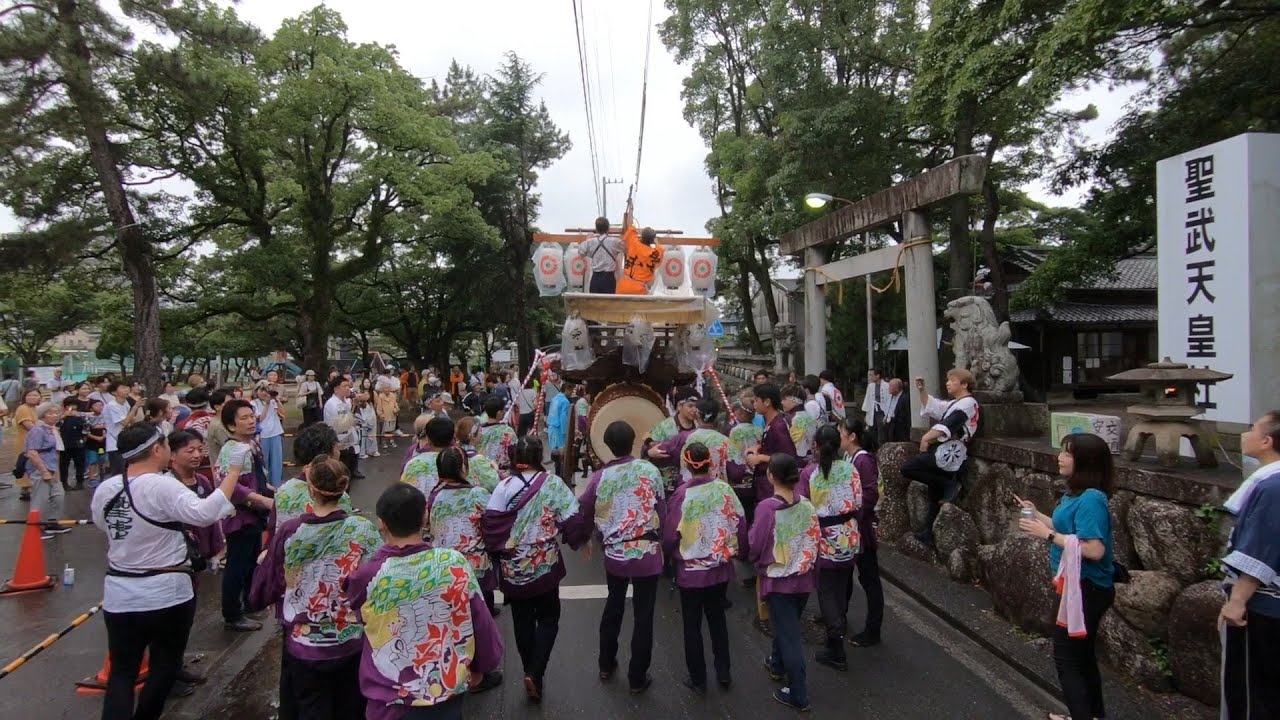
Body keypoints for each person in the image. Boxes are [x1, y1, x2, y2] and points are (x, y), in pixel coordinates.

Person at [89, 422, 240, 720]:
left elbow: (100, 524)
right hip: (167, 591)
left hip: (120, 592)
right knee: (164, 666)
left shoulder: (107, 488)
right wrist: (233, 472)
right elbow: (204, 512)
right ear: (157, 449)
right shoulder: (161, 484)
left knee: (122, 671)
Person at [346, 484, 505, 720]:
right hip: (445, 687)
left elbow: (360, 618)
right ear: (425, 516)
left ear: (382, 523)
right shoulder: (453, 563)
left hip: (391, 697)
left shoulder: (367, 575)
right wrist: (481, 666)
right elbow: (479, 620)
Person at [249, 456, 381, 720]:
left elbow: (267, 582)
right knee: (351, 706)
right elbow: (378, 577)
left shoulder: (290, 532)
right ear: (345, 489)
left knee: (311, 705)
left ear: (311, 489)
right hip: (351, 636)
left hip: (304, 640)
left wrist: (260, 598)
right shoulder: (362, 529)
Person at [1016, 433, 1115, 720]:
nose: (1060, 458)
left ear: (1086, 462)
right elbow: (1066, 529)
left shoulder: (1092, 499)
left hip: (1086, 587)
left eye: (1068, 454)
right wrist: (1038, 516)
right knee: (1082, 658)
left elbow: (1094, 549)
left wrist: (1046, 534)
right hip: (1076, 585)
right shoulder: (1076, 494)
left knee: (1067, 657)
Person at [565, 421, 664, 694]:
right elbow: (661, 507)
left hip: (616, 553)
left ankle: (606, 664)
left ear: (607, 445)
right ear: (633, 440)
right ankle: (637, 677)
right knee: (644, 615)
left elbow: (583, 510)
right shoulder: (649, 470)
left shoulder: (599, 477)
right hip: (647, 550)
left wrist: (581, 539)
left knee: (614, 605)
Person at [483, 436, 579, 703]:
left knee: (522, 620)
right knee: (549, 619)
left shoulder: (503, 487)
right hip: (544, 563)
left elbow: (491, 525)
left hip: (514, 566)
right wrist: (575, 539)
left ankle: (529, 670)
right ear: (539, 457)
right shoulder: (553, 484)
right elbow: (571, 516)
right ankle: (535, 673)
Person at [663, 441, 747, 693]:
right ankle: (724, 671)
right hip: (719, 567)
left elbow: (669, 535)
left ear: (687, 464)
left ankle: (698, 678)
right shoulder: (724, 490)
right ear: (710, 462)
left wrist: (667, 556)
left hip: (690, 572)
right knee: (717, 619)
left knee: (692, 625)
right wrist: (740, 551)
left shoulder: (681, 494)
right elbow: (740, 522)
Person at [424, 448, 504, 697]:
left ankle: (453, 667)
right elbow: (491, 526)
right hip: (476, 566)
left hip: (444, 570)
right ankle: (478, 673)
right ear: (464, 468)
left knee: (452, 622)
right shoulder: (479, 494)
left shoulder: (433, 496)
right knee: (479, 621)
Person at [1218, 411, 1280, 719]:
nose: (1246, 434)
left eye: (1252, 429)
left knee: (1252, 691)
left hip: (1264, 605)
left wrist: (1238, 600)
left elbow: (1261, 548)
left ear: (1266, 441)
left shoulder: (1273, 487)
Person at [749, 453, 820, 711]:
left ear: (770, 476)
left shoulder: (767, 507)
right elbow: (815, 539)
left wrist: (756, 561)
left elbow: (756, 544)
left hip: (779, 580)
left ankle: (799, 694)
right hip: (803, 578)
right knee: (786, 627)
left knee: (790, 636)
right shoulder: (807, 505)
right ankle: (777, 664)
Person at [796, 424, 863, 671]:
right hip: (849, 535)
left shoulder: (810, 473)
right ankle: (839, 625)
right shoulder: (851, 469)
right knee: (843, 584)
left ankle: (835, 642)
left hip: (823, 537)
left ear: (815, 445)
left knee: (826, 590)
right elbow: (858, 502)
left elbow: (803, 508)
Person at [215, 399, 276, 632]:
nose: (251, 421)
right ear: (231, 426)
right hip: (239, 516)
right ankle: (232, 613)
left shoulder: (252, 444)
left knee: (251, 560)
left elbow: (258, 479)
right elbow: (231, 485)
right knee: (237, 565)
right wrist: (261, 500)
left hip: (255, 515)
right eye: (244, 418)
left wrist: (272, 491)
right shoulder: (232, 449)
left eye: (252, 416)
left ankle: (250, 602)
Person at [903, 369, 980, 545]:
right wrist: (922, 390)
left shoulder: (967, 403)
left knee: (908, 468)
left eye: (952, 380)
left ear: (964, 384)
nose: (948, 383)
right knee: (933, 493)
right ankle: (928, 534)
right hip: (948, 452)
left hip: (952, 453)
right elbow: (935, 407)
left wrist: (926, 437)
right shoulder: (959, 403)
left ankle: (948, 483)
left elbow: (947, 424)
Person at [841, 417, 884, 648]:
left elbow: (870, 494)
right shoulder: (850, 457)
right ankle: (839, 614)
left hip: (861, 528)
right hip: (851, 527)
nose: (839, 436)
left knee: (869, 579)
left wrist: (851, 511)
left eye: (841, 432)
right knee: (846, 573)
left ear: (852, 436)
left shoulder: (863, 460)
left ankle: (873, 629)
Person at [271, 423, 353, 535]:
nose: (339, 453)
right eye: (336, 448)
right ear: (328, 455)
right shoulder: (335, 492)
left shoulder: (284, 490)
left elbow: (273, 531)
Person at [649, 397, 740, 486]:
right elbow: (737, 472)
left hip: (689, 490)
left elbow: (661, 449)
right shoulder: (725, 441)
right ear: (716, 417)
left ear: (698, 415)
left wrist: (648, 444)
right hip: (718, 490)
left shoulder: (685, 437)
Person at [25, 402, 69, 537]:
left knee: (58, 495)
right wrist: (43, 471)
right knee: (40, 498)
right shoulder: (38, 430)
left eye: (56, 412)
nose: (54, 415)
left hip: (53, 466)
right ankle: (37, 527)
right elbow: (32, 452)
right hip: (41, 467)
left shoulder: (52, 429)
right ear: (43, 415)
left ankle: (52, 522)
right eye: (50, 413)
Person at [400, 417, 458, 498]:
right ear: (453, 438)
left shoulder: (414, 464)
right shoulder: (462, 461)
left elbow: (405, 493)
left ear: (428, 439)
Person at [616, 201, 665, 296]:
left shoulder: (634, 242)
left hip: (623, 286)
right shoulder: (657, 252)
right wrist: (653, 242)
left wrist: (631, 210)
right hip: (640, 290)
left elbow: (630, 224)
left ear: (641, 237)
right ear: (652, 240)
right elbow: (658, 246)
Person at [323, 376, 362, 480]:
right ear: (336, 389)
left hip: (351, 439)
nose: (348, 388)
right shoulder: (331, 404)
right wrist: (350, 422)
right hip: (340, 441)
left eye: (348, 386)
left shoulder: (347, 401)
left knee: (350, 469)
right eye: (344, 386)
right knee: (341, 472)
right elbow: (338, 424)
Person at [252, 381, 286, 488]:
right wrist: (267, 404)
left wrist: (276, 400)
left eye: (265, 390)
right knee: (264, 461)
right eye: (261, 390)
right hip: (263, 435)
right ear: (256, 391)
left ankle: (276, 485)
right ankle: (265, 485)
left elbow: (283, 414)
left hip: (275, 432)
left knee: (277, 462)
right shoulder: (254, 403)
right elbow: (259, 419)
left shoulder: (273, 401)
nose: (263, 393)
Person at [579, 216, 624, 294]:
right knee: (608, 303)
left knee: (595, 303)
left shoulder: (590, 242)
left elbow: (581, 252)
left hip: (595, 278)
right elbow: (626, 249)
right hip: (609, 279)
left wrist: (588, 239)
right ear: (608, 228)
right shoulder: (615, 241)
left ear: (596, 229)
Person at [13, 388, 41, 500]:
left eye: (35, 395)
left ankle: (31, 489)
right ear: (24, 397)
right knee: (25, 464)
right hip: (26, 441)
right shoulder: (23, 409)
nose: (32, 397)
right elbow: (29, 425)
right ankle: (26, 490)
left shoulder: (34, 408)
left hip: (35, 442)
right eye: (29, 395)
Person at [476, 396, 516, 474]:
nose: (504, 412)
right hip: (501, 471)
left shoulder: (478, 430)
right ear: (499, 413)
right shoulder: (506, 431)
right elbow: (514, 450)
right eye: (503, 410)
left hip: (481, 468)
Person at [58, 395, 89, 490]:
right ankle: (64, 483)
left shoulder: (81, 416)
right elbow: (56, 425)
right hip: (64, 444)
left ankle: (80, 482)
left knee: (80, 464)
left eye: (74, 405)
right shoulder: (61, 417)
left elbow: (86, 428)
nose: (71, 407)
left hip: (78, 444)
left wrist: (84, 439)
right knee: (64, 465)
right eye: (69, 405)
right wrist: (63, 416)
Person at [781, 383, 818, 461]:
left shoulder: (791, 419)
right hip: (811, 460)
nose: (782, 402)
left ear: (794, 400)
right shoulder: (809, 416)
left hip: (795, 461)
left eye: (784, 399)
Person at [547, 383, 571, 479]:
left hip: (551, 427)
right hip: (559, 430)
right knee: (561, 455)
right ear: (566, 389)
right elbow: (563, 418)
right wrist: (566, 432)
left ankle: (557, 474)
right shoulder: (565, 402)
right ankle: (560, 476)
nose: (572, 392)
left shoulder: (555, 398)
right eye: (571, 389)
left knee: (555, 452)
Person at [860, 368, 891, 444]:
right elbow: (868, 399)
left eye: (871, 375)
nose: (870, 377)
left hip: (882, 411)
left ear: (877, 376)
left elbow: (888, 399)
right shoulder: (870, 386)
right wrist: (866, 414)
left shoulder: (887, 386)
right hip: (873, 411)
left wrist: (888, 414)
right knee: (872, 432)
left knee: (881, 433)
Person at [883, 378, 911, 443]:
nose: (889, 388)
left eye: (891, 386)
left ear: (896, 388)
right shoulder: (891, 396)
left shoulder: (905, 398)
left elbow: (906, 414)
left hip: (900, 427)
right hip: (890, 424)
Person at [354, 391, 378, 460]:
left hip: (366, 424)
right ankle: (361, 453)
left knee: (367, 438)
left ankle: (370, 451)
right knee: (362, 439)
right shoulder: (358, 406)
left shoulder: (369, 404)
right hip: (362, 425)